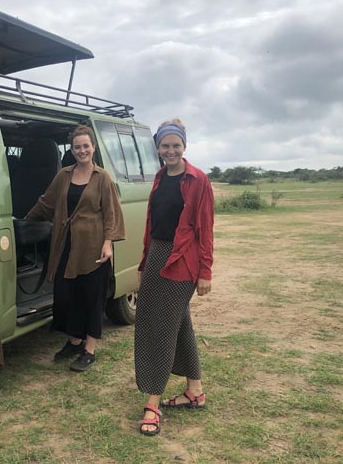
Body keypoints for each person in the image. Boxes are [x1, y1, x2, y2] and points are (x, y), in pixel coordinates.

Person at [134, 119, 214, 436]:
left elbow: (205, 230)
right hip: (157, 255)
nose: (170, 151)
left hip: (183, 261)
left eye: (175, 145)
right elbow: (152, 225)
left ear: (184, 146)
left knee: (160, 326)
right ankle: (195, 389)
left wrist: (205, 272)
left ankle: (152, 402)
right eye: (165, 146)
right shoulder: (159, 177)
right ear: (158, 148)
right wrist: (144, 263)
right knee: (178, 323)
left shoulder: (198, 181)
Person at [26, 125, 125, 371]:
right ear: (72, 149)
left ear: (93, 148)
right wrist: (23, 221)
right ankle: (74, 340)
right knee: (66, 295)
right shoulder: (64, 175)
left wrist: (108, 243)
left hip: (93, 247)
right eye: (77, 147)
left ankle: (89, 349)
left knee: (91, 297)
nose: (82, 151)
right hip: (65, 244)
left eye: (86, 146)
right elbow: (46, 203)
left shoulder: (102, 178)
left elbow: (111, 213)